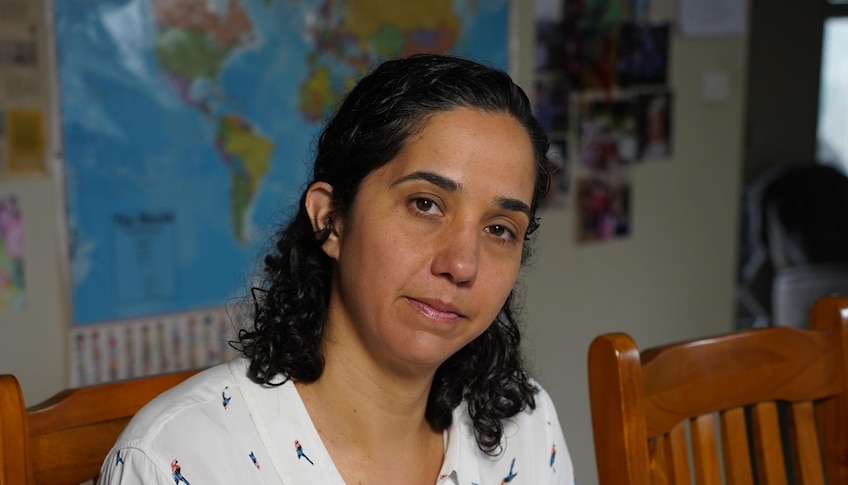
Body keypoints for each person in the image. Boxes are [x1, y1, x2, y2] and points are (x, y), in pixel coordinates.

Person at [98, 53, 575, 485]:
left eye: (499, 229)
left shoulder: (526, 427)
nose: (462, 264)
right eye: (425, 204)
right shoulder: (176, 459)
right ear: (331, 220)